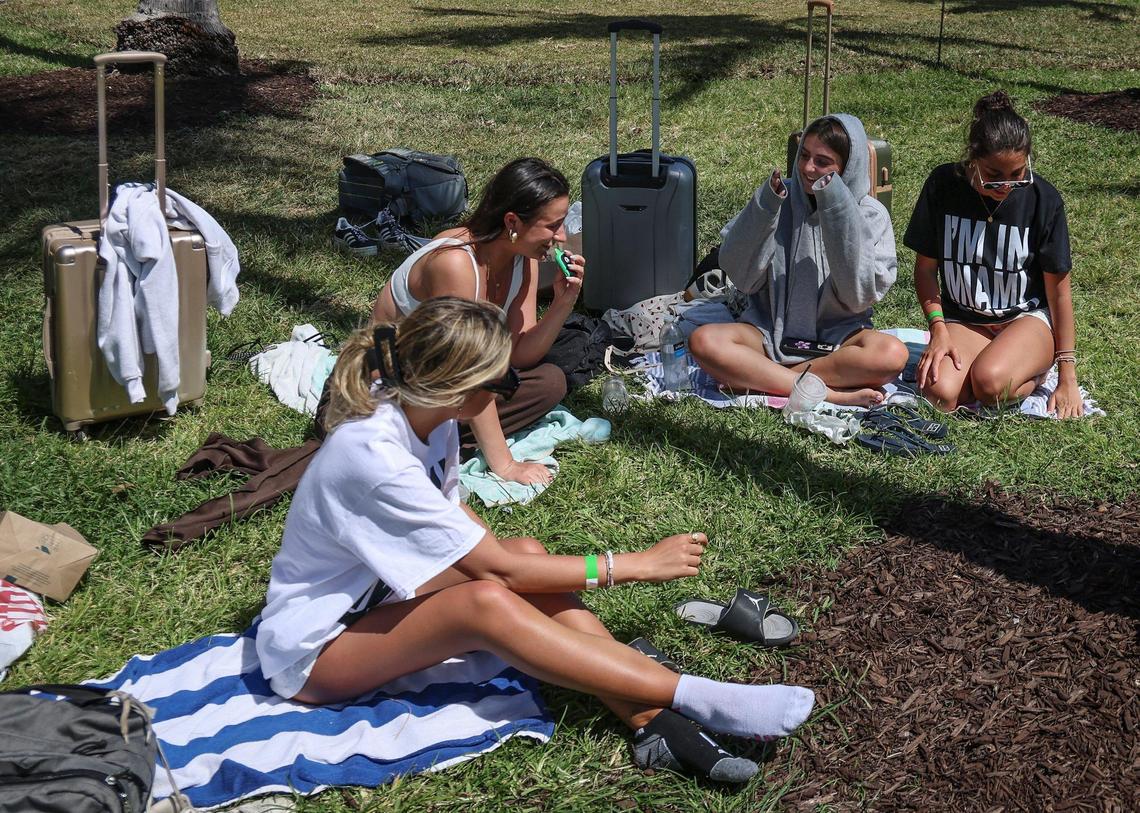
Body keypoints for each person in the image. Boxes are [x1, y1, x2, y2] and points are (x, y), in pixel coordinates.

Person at [256, 297, 815, 784]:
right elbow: (498, 579)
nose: (505, 394)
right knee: (487, 600)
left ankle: (649, 719)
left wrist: (520, 572)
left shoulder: (431, 419)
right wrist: (637, 564)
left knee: (524, 553)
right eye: (499, 383)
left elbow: (490, 549)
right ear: (457, 389)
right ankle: (692, 695)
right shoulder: (372, 457)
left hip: (376, 600)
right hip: (314, 653)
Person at [372, 157, 584, 486]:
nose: (561, 237)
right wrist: (506, 465)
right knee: (496, 383)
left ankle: (435, 437)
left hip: (440, 386)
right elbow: (468, 371)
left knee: (550, 382)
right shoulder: (455, 263)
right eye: (553, 225)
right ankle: (429, 441)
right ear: (512, 221)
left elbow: (520, 355)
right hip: (388, 390)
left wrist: (563, 302)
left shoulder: (522, 259)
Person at [688, 114, 908, 407]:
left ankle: (766, 377)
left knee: (891, 354)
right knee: (704, 341)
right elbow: (742, 275)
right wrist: (765, 208)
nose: (808, 168)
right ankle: (828, 393)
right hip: (769, 331)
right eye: (804, 155)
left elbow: (858, 297)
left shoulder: (870, 214)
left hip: (838, 339)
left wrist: (837, 210)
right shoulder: (780, 198)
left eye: (822, 161)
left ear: (847, 167)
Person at [904, 91, 1083, 417]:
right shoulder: (942, 185)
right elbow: (926, 270)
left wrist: (1067, 374)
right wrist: (938, 329)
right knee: (939, 394)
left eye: (1017, 174)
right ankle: (996, 358)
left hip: (1025, 320)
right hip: (966, 321)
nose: (1006, 186)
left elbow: (1059, 292)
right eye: (994, 175)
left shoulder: (1044, 199)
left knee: (989, 384)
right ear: (972, 159)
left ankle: (1032, 368)